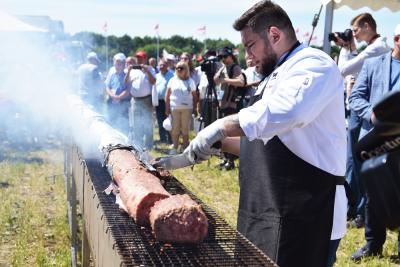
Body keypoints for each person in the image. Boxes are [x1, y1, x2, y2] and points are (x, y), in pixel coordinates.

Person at [182, 1, 347, 266]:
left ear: (274, 35)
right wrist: (219, 143)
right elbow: (265, 146)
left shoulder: (314, 65)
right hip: (265, 210)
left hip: (308, 215)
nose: (247, 57)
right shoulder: (274, 75)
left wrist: (220, 126)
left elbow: (290, 113)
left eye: (250, 46)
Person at [348, 24, 400, 262]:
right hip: (374, 141)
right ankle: (373, 243)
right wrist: (372, 114)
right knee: (373, 194)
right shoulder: (373, 64)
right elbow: (355, 97)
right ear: (397, 38)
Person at [334, 13, 391, 226]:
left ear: (367, 26)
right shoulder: (374, 48)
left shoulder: (376, 48)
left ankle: (357, 209)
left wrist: (347, 49)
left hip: (364, 113)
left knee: (357, 162)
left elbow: (343, 70)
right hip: (361, 110)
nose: (354, 35)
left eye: (356, 30)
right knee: (354, 162)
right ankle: (355, 207)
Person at [214, 46, 246, 170]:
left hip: (232, 105)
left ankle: (231, 161)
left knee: (230, 133)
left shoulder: (235, 67)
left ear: (231, 56)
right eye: (220, 57)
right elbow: (216, 80)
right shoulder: (224, 68)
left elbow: (241, 82)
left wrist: (226, 80)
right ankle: (226, 158)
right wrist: (221, 69)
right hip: (223, 104)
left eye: (224, 57)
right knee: (222, 132)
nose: (223, 59)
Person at [165, 62, 198, 155]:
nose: (179, 70)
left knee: (185, 128)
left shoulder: (190, 81)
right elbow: (167, 96)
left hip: (187, 108)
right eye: (177, 68)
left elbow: (194, 96)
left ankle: (186, 148)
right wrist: (167, 109)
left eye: (181, 68)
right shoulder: (172, 80)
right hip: (174, 108)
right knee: (175, 128)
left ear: (186, 69)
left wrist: (195, 108)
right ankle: (175, 147)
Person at [127, 50, 156, 150]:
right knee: (136, 122)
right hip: (135, 100)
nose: (139, 59)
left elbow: (153, 81)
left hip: (147, 99)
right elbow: (126, 82)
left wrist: (146, 70)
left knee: (148, 122)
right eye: (138, 57)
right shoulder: (133, 70)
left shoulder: (150, 69)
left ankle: (149, 145)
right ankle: (138, 144)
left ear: (145, 58)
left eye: (141, 57)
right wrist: (129, 70)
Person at [105, 53, 130, 135]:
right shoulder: (112, 74)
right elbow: (107, 87)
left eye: (120, 63)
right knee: (111, 122)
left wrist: (119, 97)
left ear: (123, 64)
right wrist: (113, 96)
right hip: (111, 102)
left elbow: (128, 90)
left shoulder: (127, 75)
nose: (117, 65)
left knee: (124, 123)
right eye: (116, 63)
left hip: (123, 103)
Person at [155, 59, 174, 144]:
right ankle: (162, 138)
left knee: (169, 120)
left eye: (163, 65)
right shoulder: (157, 76)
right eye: (160, 65)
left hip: (168, 102)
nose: (161, 67)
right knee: (160, 120)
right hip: (158, 102)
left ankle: (170, 139)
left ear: (167, 66)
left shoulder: (172, 75)